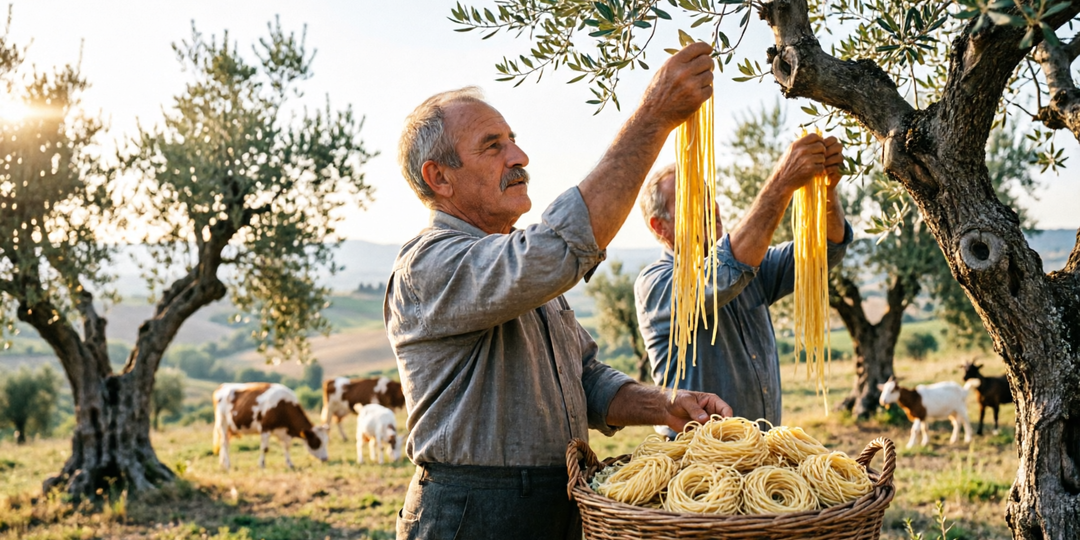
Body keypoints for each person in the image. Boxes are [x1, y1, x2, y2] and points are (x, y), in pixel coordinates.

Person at [385, 43, 732, 540]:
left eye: (514, 140)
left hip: (558, 503)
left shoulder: (515, 266)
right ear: (439, 177)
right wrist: (654, 115)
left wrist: (667, 404)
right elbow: (556, 248)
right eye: (492, 146)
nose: (520, 156)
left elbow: (585, 379)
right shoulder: (429, 264)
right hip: (473, 517)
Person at [634, 136, 853, 436]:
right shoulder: (655, 285)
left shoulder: (752, 266)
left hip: (760, 455)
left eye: (708, 195)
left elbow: (824, 251)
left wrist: (826, 191)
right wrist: (782, 182)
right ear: (660, 226)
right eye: (693, 200)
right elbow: (722, 276)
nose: (711, 206)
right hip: (696, 464)